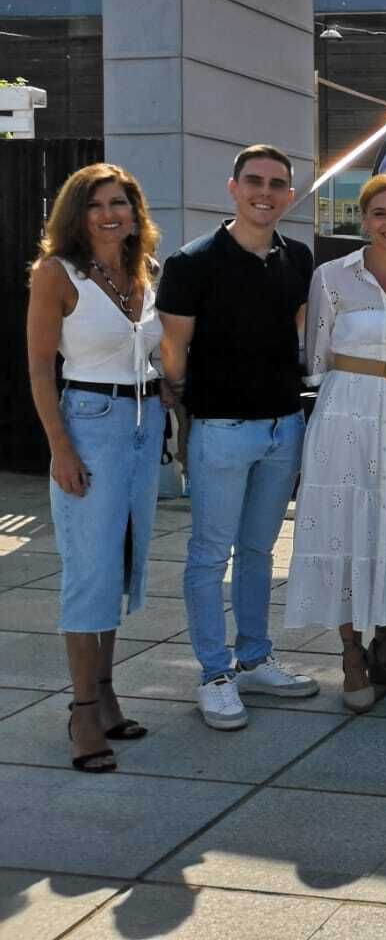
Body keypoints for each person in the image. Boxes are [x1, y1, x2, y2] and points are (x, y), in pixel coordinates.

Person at [158, 145, 318, 731]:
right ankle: (214, 672)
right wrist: (188, 402)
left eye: (278, 183)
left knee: (257, 551)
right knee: (209, 555)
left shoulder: (297, 257)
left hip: (284, 427)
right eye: (255, 180)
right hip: (221, 430)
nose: (266, 191)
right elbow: (173, 352)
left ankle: (253, 656)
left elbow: (296, 331)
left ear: (290, 194)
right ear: (232, 187)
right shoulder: (192, 262)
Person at [26, 164, 171, 771]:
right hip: (88, 420)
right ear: (76, 215)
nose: (111, 214)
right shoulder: (56, 274)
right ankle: (82, 711)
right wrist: (60, 444)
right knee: (89, 569)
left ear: (136, 213)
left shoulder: (146, 272)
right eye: (96, 205)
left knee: (123, 562)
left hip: (146, 420)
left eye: (121, 203)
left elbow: (163, 354)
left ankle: (108, 694)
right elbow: (37, 368)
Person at [283, 175, 386, 713]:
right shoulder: (332, 276)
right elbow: (318, 354)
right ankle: (351, 652)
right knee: (347, 527)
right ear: (363, 217)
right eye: (380, 213)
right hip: (347, 414)